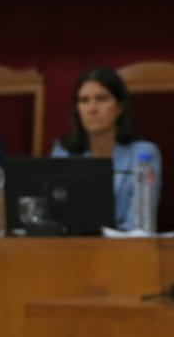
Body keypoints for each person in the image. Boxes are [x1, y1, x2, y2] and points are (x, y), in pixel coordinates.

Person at [50, 66, 160, 230]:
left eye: (101, 99)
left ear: (120, 107)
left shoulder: (144, 154)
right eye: (84, 101)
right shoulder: (63, 152)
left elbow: (139, 225)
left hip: (122, 249)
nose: (92, 109)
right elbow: (53, 216)